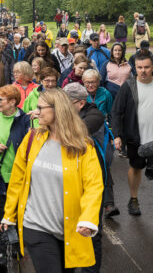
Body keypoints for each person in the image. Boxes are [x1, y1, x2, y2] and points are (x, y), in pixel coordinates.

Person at [0, 89, 104, 272]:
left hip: (70, 229)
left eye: (40, 108)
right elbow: (17, 180)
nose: (36, 111)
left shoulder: (83, 147)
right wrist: (9, 215)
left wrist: (88, 219)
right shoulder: (32, 138)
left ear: (58, 110)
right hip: (36, 225)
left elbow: (93, 186)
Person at [0, 85, 31, 272]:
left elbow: (30, 145)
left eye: (1, 100)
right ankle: (1, 253)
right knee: (0, 215)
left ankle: (17, 246)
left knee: (19, 213)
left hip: (19, 177)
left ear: (12, 102)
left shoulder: (24, 120)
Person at [110, 53, 153, 216]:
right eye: (139, 67)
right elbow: (116, 112)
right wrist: (117, 135)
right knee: (136, 168)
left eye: (146, 67)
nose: (143, 71)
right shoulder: (128, 86)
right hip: (136, 139)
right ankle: (133, 199)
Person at [63, 82, 108, 272]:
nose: (61, 108)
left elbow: (78, 132)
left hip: (91, 177)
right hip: (68, 177)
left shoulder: (94, 114)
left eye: (66, 104)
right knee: (68, 226)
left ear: (80, 103)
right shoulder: (64, 115)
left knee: (90, 228)